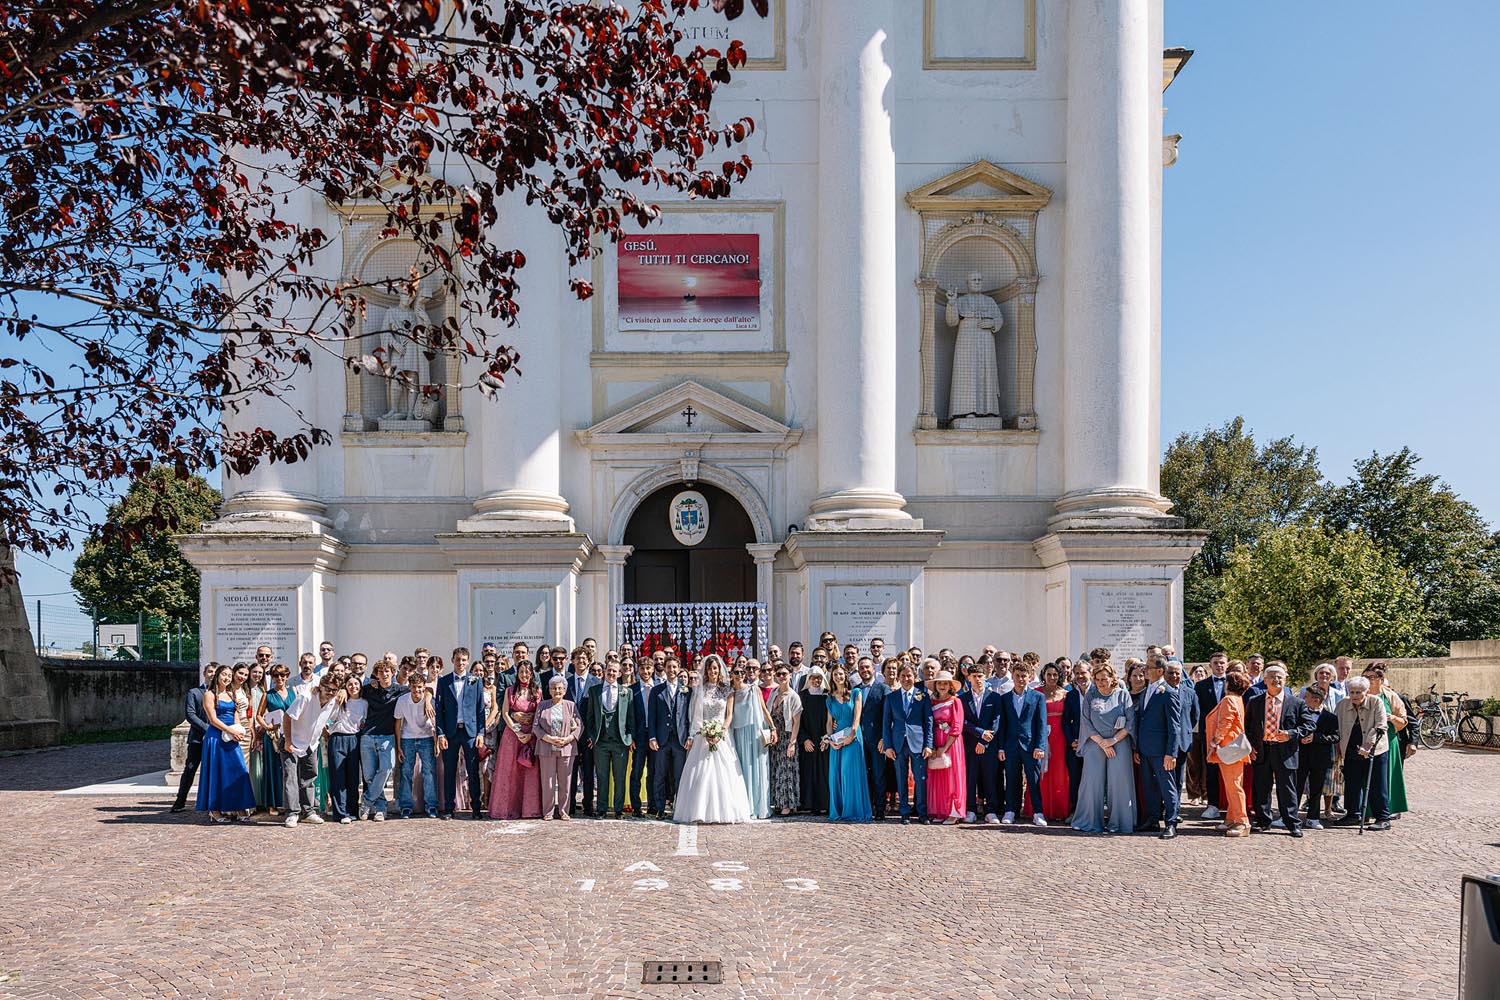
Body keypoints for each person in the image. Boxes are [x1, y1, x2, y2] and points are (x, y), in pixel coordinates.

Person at [672, 655, 753, 824]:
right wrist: (704, 733)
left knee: (724, 773)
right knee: (701, 772)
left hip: (722, 735)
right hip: (704, 734)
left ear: (720, 670)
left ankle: (724, 811)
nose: (713, 671)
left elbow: (729, 715)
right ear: (706, 671)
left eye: (715, 668)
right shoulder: (699, 690)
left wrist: (720, 732)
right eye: (709, 669)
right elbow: (696, 715)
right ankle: (699, 810)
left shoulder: (727, 690)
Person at [1245, 663, 1316, 836]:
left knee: (1287, 789)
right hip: (1262, 750)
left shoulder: (1296, 702)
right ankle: (1263, 821)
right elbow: (1247, 727)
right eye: (1273, 677)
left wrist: (1291, 734)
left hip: (1285, 752)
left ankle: (1292, 823)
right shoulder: (1255, 702)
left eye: (1280, 677)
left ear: (1285, 680)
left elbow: (1309, 724)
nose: (1276, 680)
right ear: (1265, 680)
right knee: (1261, 788)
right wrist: (1249, 746)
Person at [1071, 662, 1136, 834]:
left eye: (1104, 679)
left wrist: (1113, 740)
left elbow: (1130, 722)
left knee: (1119, 781)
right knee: (1091, 782)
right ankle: (1089, 821)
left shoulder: (1123, 695)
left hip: (1119, 743)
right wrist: (1102, 742)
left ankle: (1119, 823)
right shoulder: (1090, 696)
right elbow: (1086, 721)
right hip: (1094, 742)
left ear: (1112, 678)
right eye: (1097, 679)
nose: (1100, 682)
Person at [281, 671, 345, 827]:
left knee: (309, 777)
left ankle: (308, 812)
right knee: (291, 778)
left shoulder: (335, 702)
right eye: (328, 689)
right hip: (292, 741)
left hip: (311, 744)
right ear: (320, 686)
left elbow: (320, 721)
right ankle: (292, 813)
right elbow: (287, 717)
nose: (330, 693)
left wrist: (325, 733)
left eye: (334, 690)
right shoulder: (306, 697)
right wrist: (288, 741)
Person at [195, 663, 257, 822]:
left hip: (232, 736)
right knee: (217, 773)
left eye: (229, 676)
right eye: (224, 675)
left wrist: (238, 730)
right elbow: (213, 719)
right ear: (217, 675)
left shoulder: (231, 694)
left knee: (239, 771)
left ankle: (241, 807)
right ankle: (215, 810)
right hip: (216, 737)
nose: (227, 678)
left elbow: (236, 713)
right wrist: (231, 731)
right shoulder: (209, 694)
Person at [1132, 656, 1183, 839]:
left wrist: (1171, 753)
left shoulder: (1168, 693)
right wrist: (1138, 748)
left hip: (1162, 751)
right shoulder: (1147, 691)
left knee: (1167, 787)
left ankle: (1171, 822)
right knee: (1149, 786)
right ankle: (1152, 819)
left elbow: (1174, 726)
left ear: (1160, 671)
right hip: (1146, 749)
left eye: (1148, 667)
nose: (1145, 670)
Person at [1334, 676, 1391, 830]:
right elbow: (1336, 726)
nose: (1355, 696)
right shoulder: (1342, 704)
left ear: (1366, 692)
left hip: (1375, 750)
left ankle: (1383, 818)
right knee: (1352, 784)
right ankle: (1353, 814)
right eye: (1352, 692)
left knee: (1377, 784)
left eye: (1359, 692)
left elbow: (1381, 726)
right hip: (1351, 749)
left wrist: (1368, 744)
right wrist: (1337, 745)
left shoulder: (1376, 702)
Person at [488, 659, 543, 820]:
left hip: (531, 735)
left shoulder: (537, 692)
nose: (524, 675)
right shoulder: (510, 690)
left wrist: (531, 732)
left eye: (527, 672)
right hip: (512, 735)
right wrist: (517, 730)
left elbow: (540, 714)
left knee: (529, 771)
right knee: (510, 773)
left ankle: (529, 809)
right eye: (521, 672)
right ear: (517, 674)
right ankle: (507, 808)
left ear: (531, 674)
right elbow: (505, 712)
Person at [436, 646, 485, 819]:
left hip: (470, 732)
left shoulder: (476, 681)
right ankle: (449, 808)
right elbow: (439, 709)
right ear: (452, 660)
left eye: (464, 660)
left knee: (473, 771)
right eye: (458, 659)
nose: (461, 663)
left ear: (468, 661)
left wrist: (480, 732)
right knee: (449, 771)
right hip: (450, 733)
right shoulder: (444, 682)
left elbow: (480, 709)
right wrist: (440, 734)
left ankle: (476, 808)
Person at [883, 661, 933, 825]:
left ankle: (922, 812)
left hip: (918, 743)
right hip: (898, 743)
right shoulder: (891, 697)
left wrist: (928, 744)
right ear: (898, 677)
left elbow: (929, 722)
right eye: (903, 676)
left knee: (920, 778)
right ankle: (904, 812)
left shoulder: (923, 696)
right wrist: (888, 746)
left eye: (909, 676)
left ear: (915, 677)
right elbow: (886, 723)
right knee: (901, 778)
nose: (906, 679)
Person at [998, 660, 1047, 826]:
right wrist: (1001, 747)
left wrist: (1040, 746)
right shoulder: (1004, 698)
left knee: (1033, 780)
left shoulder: (1038, 697)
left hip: (1031, 745)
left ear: (1029, 677)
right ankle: (1011, 810)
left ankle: (1038, 812)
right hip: (1011, 745)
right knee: (1012, 779)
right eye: (1017, 675)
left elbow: (1041, 723)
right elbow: (1002, 725)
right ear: (1012, 676)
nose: (1020, 679)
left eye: (1023, 676)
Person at [357, 659, 406, 822]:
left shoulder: (400, 690)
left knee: (386, 769)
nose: (384, 674)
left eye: (387, 671)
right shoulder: (369, 689)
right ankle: (380, 808)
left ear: (393, 673)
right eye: (380, 672)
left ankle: (367, 801)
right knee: (370, 776)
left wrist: (427, 699)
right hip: (367, 736)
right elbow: (351, 689)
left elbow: (421, 689)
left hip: (387, 737)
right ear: (376, 675)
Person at [586, 660, 634, 819]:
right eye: (609, 670)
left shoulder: (626, 692)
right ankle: (601, 808)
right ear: (605, 671)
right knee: (602, 776)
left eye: (615, 671)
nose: (611, 673)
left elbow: (630, 718)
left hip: (620, 741)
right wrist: (593, 737)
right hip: (601, 741)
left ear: (620, 673)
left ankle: (618, 809)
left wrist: (630, 737)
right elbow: (590, 718)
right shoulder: (594, 691)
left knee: (619, 777)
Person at [1204, 671, 1249, 836]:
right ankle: (1231, 818)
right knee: (1232, 785)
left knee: (1234, 786)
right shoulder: (1237, 699)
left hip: (1228, 748)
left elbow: (1225, 722)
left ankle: (1242, 821)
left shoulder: (1229, 699)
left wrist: (1215, 741)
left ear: (1229, 684)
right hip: (1233, 748)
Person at [533, 674, 582, 820]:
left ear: (565, 690)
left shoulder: (570, 705)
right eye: (554, 688)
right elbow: (536, 726)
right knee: (547, 783)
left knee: (565, 782)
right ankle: (548, 812)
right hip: (546, 748)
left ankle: (563, 811)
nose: (557, 691)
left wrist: (568, 739)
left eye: (560, 688)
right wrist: (549, 739)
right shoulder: (542, 705)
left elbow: (579, 725)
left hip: (566, 748)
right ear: (549, 690)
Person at [825, 664, 870, 822]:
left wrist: (851, 735)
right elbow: (829, 723)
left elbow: (857, 717)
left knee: (848, 773)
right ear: (832, 677)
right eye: (835, 674)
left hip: (853, 737)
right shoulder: (829, 698)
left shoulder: (856, 693)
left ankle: (853, 811)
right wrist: (830, 740)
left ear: (846, 676)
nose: (838, 677)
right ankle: (840, 809)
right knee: (836, 775)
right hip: (836, 739)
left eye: (841, 674)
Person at [730, 660, 775, 819]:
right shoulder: (731, 693)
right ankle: (744, 806)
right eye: (737, 672)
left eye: (742, 672)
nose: (741, 675)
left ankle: (758, 806)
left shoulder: (754, 689)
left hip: (755, 733)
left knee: (757, 768)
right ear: (732, 675)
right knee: (742, 769)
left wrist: (773, 728)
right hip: (739, 734)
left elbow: (763, 709)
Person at [1364, 663, 1409, 819]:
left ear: (1380, 679)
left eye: (1372, 677)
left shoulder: (1390, 696)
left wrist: (1392, 718)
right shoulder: (1362, 694)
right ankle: (1365, 810)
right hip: (1366, 741)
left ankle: (1387, 809)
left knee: (1385, 777)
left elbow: (1404, 721)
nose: (1368, 680)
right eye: (1366, 677)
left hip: (1388, 741)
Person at [649, 658, 692, 819]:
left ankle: (678, 807)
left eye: (675, 667)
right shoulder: (656, 690)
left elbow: (689, 716)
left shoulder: (687, 690)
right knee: (659, 774)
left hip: (680, 739)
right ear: (665, 669)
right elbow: (651, 716)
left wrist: (689, 735)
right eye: (669, 667)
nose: (672, 670)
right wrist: (652, 737)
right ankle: (660, 808)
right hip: (661, 739)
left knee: (679, 775)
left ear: (679, 668)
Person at [925, 669, 967, 824]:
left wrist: (945, 748)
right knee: (937, 776)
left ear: (950, 686)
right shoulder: (931, 701)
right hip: (935, 740)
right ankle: (941, 810)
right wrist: (933, 747)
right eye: (939, 683)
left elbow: (957, 726)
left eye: (945, 683)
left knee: (952, 776)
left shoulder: (956, 701)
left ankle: (954, 811)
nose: (942, 686)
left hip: (951, 742)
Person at [960, 662, 1001, 823]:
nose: (978, 679)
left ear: (985, 677)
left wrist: (984, 741)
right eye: (974, 676)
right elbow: (962, 722)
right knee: (970, 778)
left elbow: (996, 721)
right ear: (969, 678)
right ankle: (970, 809)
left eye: (980, 676)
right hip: (970, 745)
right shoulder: (962, 699)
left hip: (988, 746)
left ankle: (990, 810)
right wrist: (980, 733)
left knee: (990, 778)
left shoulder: (994, 697)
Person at [171, 664, 215, 813]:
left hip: (216, 739)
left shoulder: (221, 694)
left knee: (214, 771)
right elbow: (190, 715)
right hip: (198, 738)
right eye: (210, 672)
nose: (212, 675)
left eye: (215, 672)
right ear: (204, 673)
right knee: (190, 769)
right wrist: (207, 728)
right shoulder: (195, 693)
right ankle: (180, 801)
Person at [395, 672, 438, 818]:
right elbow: (398, 722)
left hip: (426, 736)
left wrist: (436, 741)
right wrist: (399, 744)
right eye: (414, 687)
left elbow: (434, 721)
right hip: (407, 737)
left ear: (424, 687)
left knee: (429, 772)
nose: (417, 690)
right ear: (409, 687)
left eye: (420, 687)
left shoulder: (429, 700)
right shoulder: (402, 700)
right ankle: (406, 806)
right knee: (406, 772)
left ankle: (431, 805)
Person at [325, 675, 366, 824]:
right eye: (350, 684)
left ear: (360, 686)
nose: (353, 686)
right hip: (337, 738)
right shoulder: (339, 700)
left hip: (354, 739)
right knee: (338, 777)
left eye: (356, 683)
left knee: (353, 778)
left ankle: (352, 810)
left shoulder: (364, 703)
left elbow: (364, 721)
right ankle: (340, 812)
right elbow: (328, 717)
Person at [1297, 685, 1339, 830]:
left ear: (1316, 700)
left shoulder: (1331, 717)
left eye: (1306, 697)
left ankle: (1313, 817)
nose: (1303, 699)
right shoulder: (1300, 714)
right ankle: (1290, 816)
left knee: (1316, 789)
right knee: (1296, 786)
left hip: (1320, 758)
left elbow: (1335, 736)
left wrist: (1316, 737)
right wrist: (1299, 738)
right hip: (1300, 756)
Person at [1194, 651, 1230, 821]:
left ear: (1227, 664)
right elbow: (1197, 711)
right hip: (1208, 735)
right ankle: (1213, 805)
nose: (1219, 665)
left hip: (1230, 735)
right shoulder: (1201, 686)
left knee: (1231, 771)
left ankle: (1232, 805)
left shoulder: (1234, 683)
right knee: (1211, 771)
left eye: (1222, 662)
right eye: (1216, 663)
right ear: (1211, 665)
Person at [1037, 663, 1071, 823]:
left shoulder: (1065, 694)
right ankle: (1040, 807)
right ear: (1043, 675)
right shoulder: (1036, 693)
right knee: (1042, 771)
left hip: (1059, 735)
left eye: (1055, 675)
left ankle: (1059, 807)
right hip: (1041, 733)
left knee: (1059, 770)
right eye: (1049, 674)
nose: (1052, 677)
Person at [857, 657, 890, 819]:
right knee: (863, 775)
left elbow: (888, 717)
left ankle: (880, 810)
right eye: (861, 668)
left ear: (874, 669)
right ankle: (866, 808)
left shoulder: (883, 689)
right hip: (859, 741)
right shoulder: (854, 690)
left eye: (867, 667)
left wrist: (885, 738)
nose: (865, 670)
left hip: (877, 741)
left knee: (878, 775)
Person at [768, 664, 803, 816]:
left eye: (785, 673)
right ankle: (777, 802)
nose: (782, 676)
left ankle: (788, 804)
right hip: (775, 737)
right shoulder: (774, 693)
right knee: (776, 769)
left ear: (790, 675)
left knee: (787, 770)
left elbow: (796, 722)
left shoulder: (794, 696)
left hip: (787, 737)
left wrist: (792, 743)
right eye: (779, 674)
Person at [258, 663, 291, 815]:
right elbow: (258, 715)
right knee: (273, 768)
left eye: (282, 675)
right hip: (273, 735)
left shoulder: (293, 693)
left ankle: (287, 801)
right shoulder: (268, 694)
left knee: (288, 769)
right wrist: (267, 727)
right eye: (276, 675)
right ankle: (273, 803)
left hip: (290, 734)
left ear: (287, 676)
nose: (279, 678)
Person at [798, 667, 831, 814]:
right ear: (808, 679)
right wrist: (804, 739)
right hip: (808, 742)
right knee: (809, 773)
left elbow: (832, 720)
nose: (816, 681)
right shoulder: (802, 696)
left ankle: (824, 803)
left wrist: (826, 738)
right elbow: (797, 721)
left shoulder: (827, 696)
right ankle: (809, 804)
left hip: (824, 741)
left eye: (819, 678)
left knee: (823, 773)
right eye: (813, 677)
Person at [1060, 660, 1090, 819]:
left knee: (1093, 781)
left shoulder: (1098, 692)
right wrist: (1071, 740)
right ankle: (1075, 812)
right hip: (1075, 745)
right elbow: (1065, 721)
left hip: (1094, 745)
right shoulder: (1071, 695)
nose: (1080, 676)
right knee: (1075, 780)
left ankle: (1092, 812)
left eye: (1083, 672)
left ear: (1090, 672)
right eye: (1077, 673)